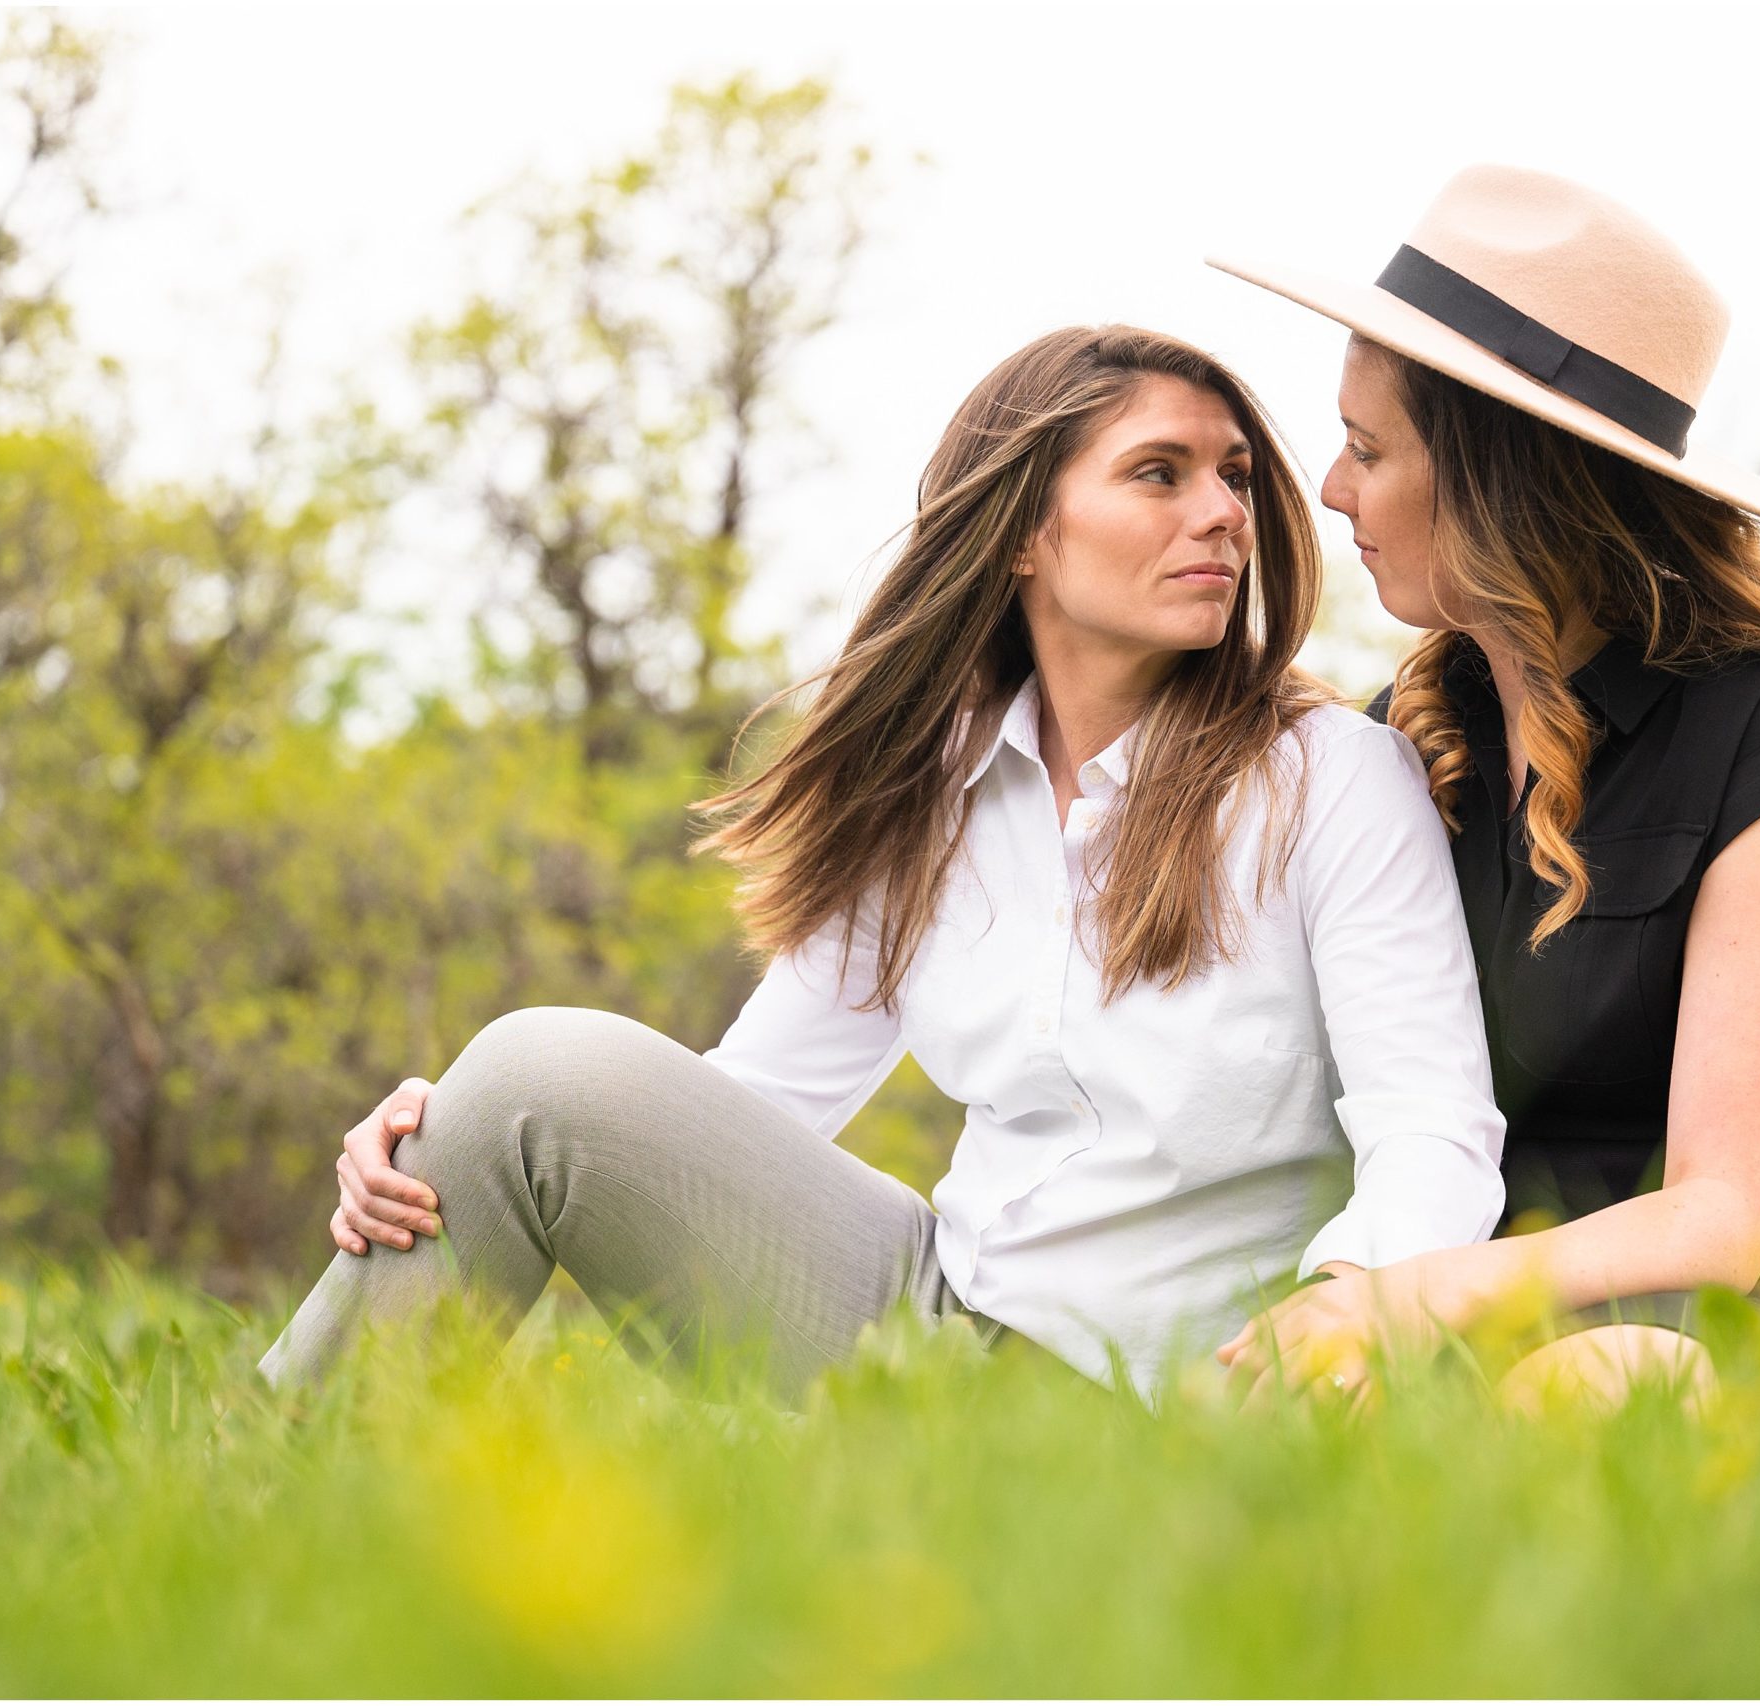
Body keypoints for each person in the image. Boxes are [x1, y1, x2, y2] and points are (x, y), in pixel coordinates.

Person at [258, 324, 1506, 1403]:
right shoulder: (929, 798)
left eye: (1232, 475)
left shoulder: (1330, 777)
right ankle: (273, 1490)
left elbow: (1431, 1125)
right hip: (922, 1328)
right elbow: (752, 1113)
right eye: (1157, 474)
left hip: (1190, 1385)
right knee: (527, 1076)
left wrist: (1348, 1311)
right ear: (1023, 533)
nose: (1223, 512)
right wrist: (458, 1127)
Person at [1208, 165, 1760, 1413]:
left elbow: (1721, 1214)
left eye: (1367, 447)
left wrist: (1395, 1302)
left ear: (1501, 483)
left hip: (1734, 1318)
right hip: (1471, 1308)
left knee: (1595, 1386)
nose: (1331, 489)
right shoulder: (1409, 735)